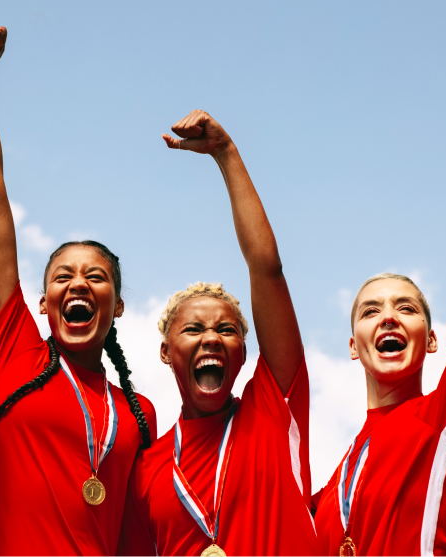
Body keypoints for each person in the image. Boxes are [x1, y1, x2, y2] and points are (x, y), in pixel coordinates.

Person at [0, 27, 157, 556]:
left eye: (97, 277)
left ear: (117, 306)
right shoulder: (9, 348)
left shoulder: (139, 414)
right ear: (42, 302)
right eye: (62, 275)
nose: (79, 284)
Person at [310, 91, 446, 556]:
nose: (388, 317)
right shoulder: (335, 482)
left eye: (406, 307)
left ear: (432, 340)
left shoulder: (445, 416)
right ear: (353, 346)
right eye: (370, 310)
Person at [117, 110, 317, 557]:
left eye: (226, 330)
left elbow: (267, 270)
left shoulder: (272, 410)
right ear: (167, 353)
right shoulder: (148, 467)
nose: (211, 337)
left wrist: (225, 153)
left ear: (243, 354)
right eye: (194, 328)